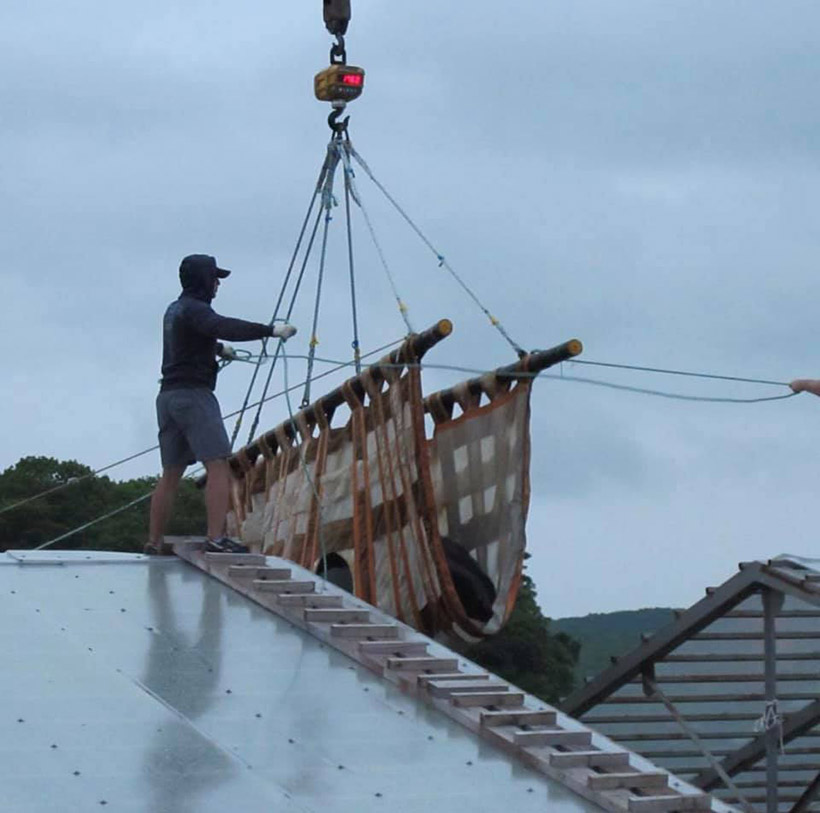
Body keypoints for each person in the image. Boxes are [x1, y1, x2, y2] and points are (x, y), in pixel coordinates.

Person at [146, 254, 296, 555]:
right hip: (194, 397)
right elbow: (222, 325)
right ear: (203, 279)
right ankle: (216, 538)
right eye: (214, 278)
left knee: (171, 472)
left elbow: (191, 338)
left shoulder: (174, 310)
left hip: (167, 397)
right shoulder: (197, 310)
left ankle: (154, 541)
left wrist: (216, 350)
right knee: (218, 466)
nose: (217, 284)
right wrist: (269, 331)